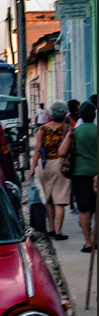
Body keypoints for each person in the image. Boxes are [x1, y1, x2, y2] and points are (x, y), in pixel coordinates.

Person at [28, 99, 71, 239]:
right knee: (60, 200)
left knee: (49, 198)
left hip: (44, 165)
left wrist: (33, 167)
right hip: (60, 164)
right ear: (64, 113)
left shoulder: (42, 129)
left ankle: (51, 228)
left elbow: (37, 149)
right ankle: (59, 231)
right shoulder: (67, 129)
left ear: (51, 113)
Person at [59, 101, 97, 252]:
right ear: (94, 115)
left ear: (80, 115)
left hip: (80, 174)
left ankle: (88, 243)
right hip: (96, 173)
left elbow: (61, 152)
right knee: (96, 208)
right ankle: (96, 240)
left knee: (83, 209)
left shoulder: (75, 132)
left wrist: (69, 134)